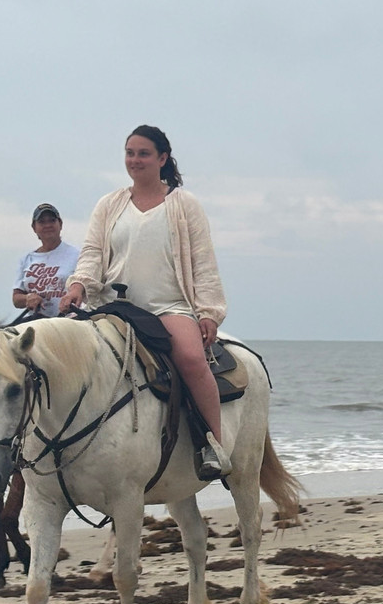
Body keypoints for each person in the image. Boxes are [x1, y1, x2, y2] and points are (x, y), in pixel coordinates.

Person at [59, 125, 229, 480]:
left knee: (192, 359)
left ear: (162, 158)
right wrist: (77, 284)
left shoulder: (184, 204)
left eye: (143, 153)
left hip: (168, 306)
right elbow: (91, 253)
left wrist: (209, 311)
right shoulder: (109, 204)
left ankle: (212, 444)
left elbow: (202, 260)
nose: (134, 160)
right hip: (113, 305)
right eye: (129, 153)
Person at [12, 204, 80, 318]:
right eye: (42, 222)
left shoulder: (77, 255)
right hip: (37, 322)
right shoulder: (27, 259)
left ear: (60, 224)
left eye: (52, 221)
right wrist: (27, 298)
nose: (47, 225)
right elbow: (16, 299)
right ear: (34, 227)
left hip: (69, 320)